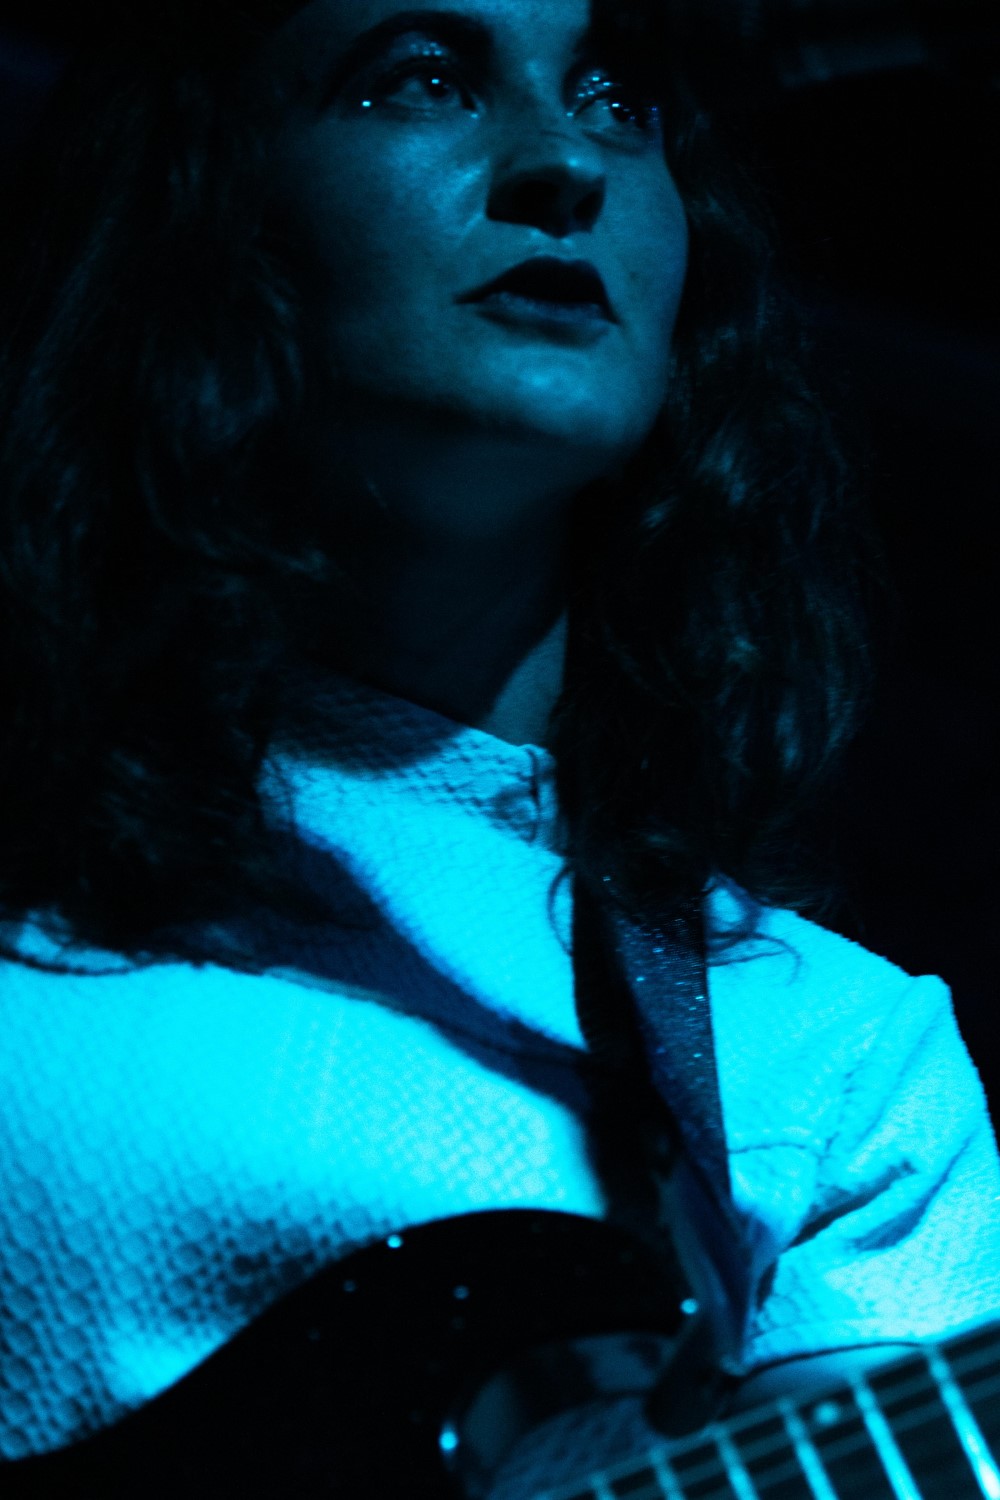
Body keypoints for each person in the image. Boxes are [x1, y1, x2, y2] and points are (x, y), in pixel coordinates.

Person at [1, 0, 998, 1489]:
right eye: (422, 79)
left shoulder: (828, 1058)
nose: (565, 161)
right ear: (200, 216)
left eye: (615, 98)